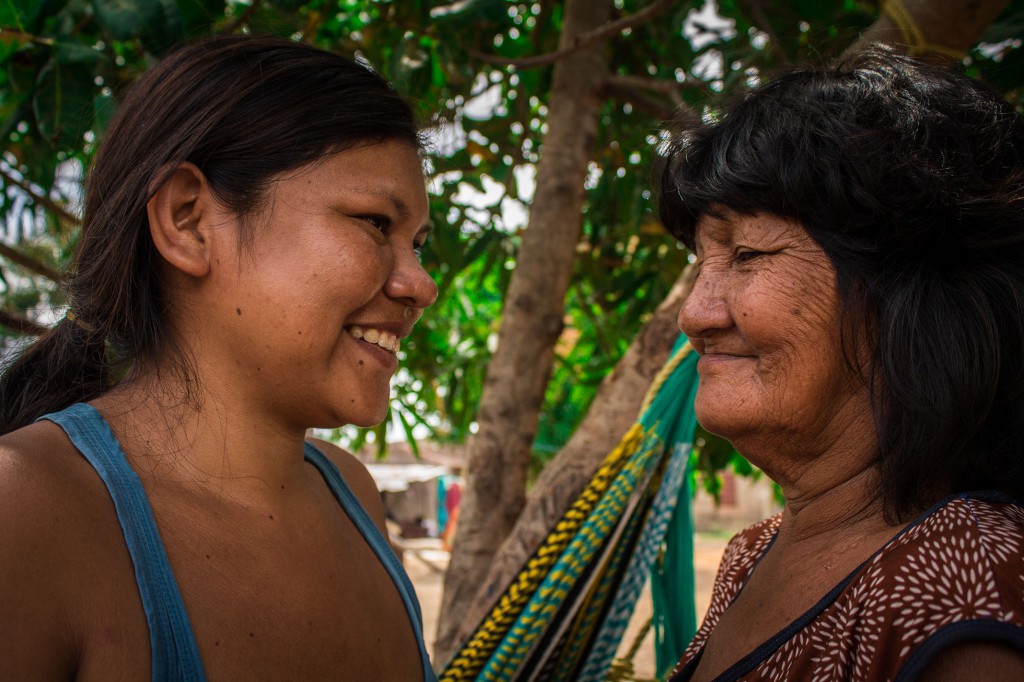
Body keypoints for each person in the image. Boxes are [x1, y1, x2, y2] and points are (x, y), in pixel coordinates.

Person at [0, 35, 439, 680]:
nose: (421, 286)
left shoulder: (354, 496)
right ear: (188, 221)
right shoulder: (29, 512)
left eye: (419, 244)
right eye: (375, 223)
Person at [658, 44, 1024, 681]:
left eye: (746, 254)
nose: (695, 314)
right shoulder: (753, 555)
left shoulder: (959, 580)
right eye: (700, 261)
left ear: (905, 296)